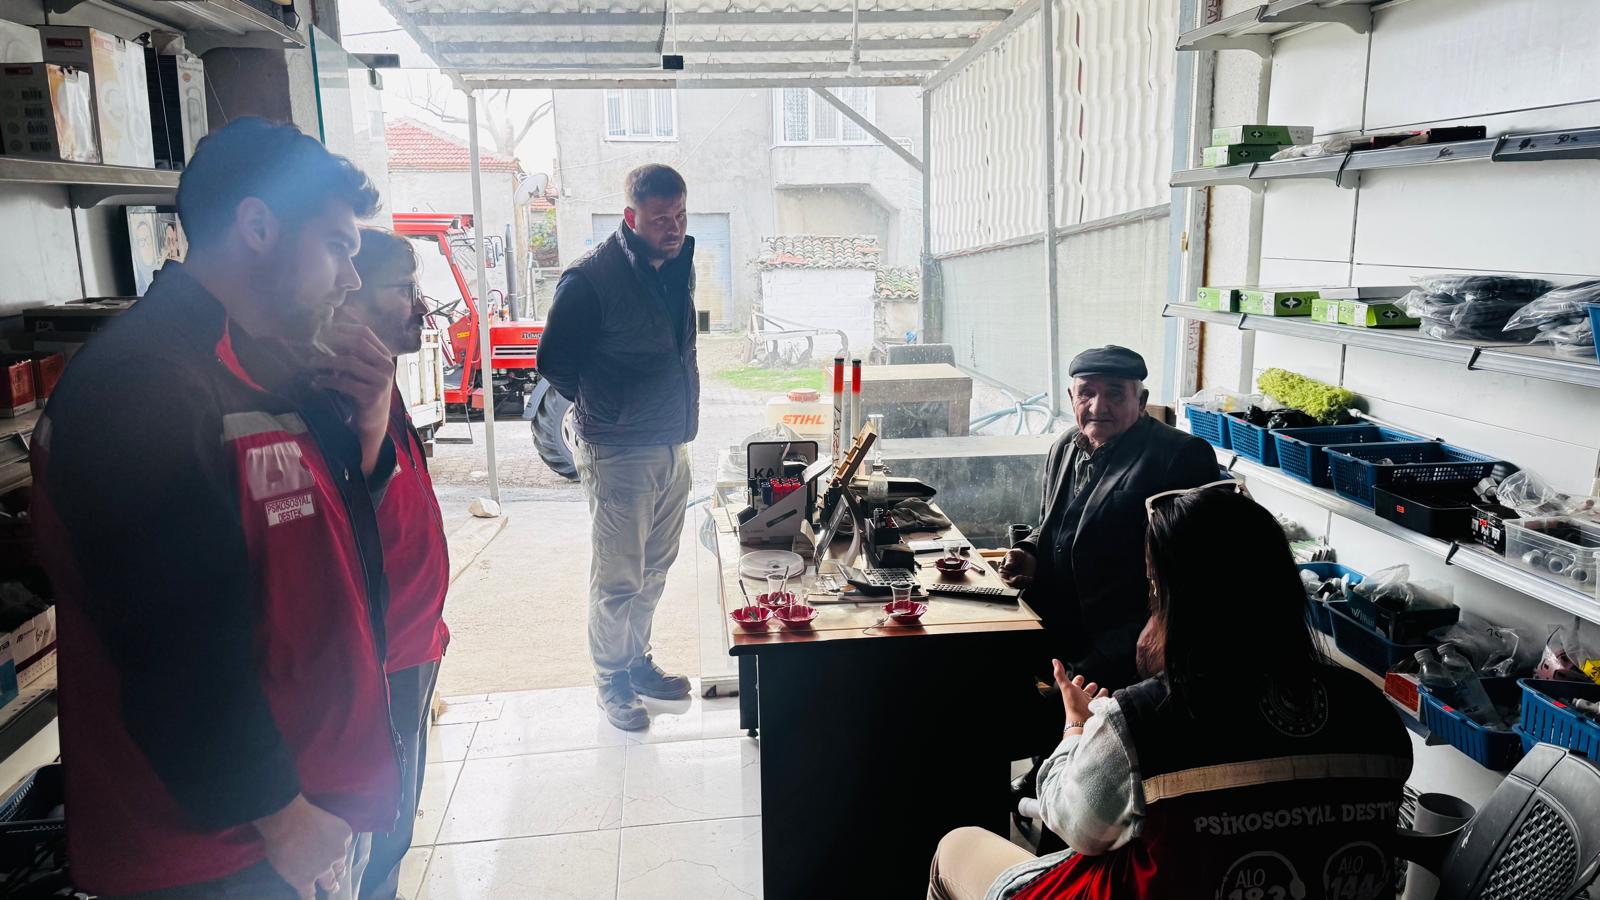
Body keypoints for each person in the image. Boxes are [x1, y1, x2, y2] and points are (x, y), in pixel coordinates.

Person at [32, 118, 399, 899]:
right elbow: (175, 648)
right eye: (337, 246)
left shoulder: (262, 365)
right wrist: (282, 817)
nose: (349, 278)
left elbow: (323, 538)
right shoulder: (145, 387)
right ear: (258, 227)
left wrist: (368, 421)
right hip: (218, 852)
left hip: (299, 814)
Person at [928, 486, 1414, 900]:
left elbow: (1074, 825)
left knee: (956, 847)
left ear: (1173, 597)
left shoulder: (1142, 720)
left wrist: (1077, 728)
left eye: (1152, 583)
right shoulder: (1372, 711)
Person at [537, 164, 698, 730]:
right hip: (619, 450)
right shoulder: (589, 280)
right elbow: (554, 362)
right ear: (631, 217)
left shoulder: (676, 265)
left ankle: (635, 662)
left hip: (672, 443)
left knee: (654, 570)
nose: (673, 228)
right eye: (660, 219)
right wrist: (610, 406)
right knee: (618, 578)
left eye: (680, 216)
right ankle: (611, 680)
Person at [338, 228, 451, 900]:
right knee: (376, 841)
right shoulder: (337, 395)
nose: (420, 303)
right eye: (402, 288)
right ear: (348, 296)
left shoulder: (380, 381)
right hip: (378, 658)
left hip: (413, 641)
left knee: (396, 825)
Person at [1000, 345, 1217, 689]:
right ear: (1072, 397)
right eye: (1086, 393)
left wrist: (1130, 648)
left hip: (1121, 647)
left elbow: (1193, 575)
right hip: (1055, 633)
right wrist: (1029, 550)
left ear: (1141, 400)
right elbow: (1056, 523)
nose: (1098, 407)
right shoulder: (1066, 445)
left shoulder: (1180, 456)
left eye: (1115, 394)